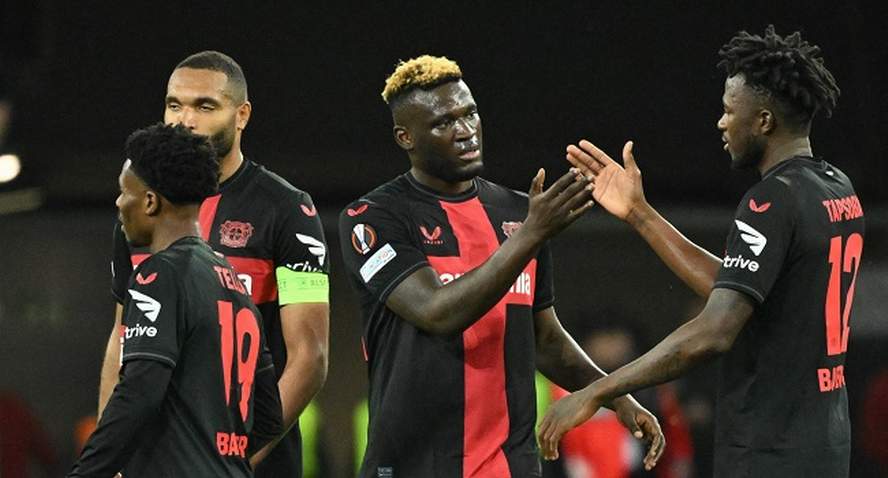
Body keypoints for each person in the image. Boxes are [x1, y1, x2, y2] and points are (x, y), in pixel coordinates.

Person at [538, 25, 863, 477]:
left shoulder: (771, 201)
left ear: (764, 121)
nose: (721, 122)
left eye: (730, 111)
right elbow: (734, 287)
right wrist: (640, 214)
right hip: (824, 442)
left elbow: (714, 330)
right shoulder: (836, 189)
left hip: (769, 452)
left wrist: (597, 392)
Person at [338, 55, 664, 478]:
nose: (465, 131)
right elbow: (437, 312)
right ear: (406, 137)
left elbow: (545, 339)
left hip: (509, 466)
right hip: (414, 464)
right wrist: (532, 234)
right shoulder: (372, 217)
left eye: (469, 113)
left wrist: (616, 395)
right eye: (443, 123)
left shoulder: (517, 212)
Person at [97, 51, 329, 477]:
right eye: (174, 105)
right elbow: (123, 335)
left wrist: (237, 457)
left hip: (254, 463)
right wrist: (114, 455)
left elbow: (309, 356)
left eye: (205, 106)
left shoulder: (289, 211)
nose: (184, 120)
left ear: (241, 115)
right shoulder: (140, 209)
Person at [69, 123, 283, 477]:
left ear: (150, 201)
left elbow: (140, 391)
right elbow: (269, 416)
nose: (119, 202)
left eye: (125, 192)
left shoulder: (158, 275)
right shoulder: (233, 283)